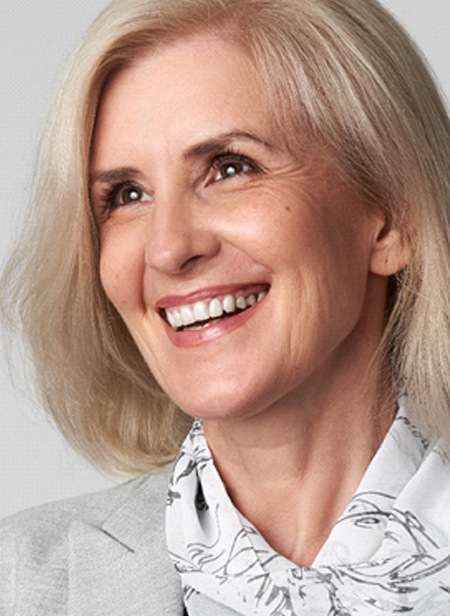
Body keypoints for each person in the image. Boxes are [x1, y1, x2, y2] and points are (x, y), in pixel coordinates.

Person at [1, 0, 450, 613]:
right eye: (126, 195)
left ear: (390, 218)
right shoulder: (20, 581)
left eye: (229, 168)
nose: (167, 249)